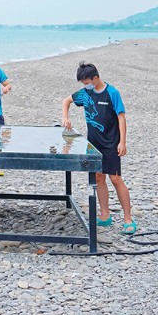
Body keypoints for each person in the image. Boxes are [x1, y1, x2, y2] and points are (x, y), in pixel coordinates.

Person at [61, 62, 136, 233]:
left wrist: (122, 142)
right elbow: (66, 101)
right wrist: (65, 117)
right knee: (99, 177)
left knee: (116, 179)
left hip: (111, 143)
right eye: (83, 83)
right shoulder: (86, 93)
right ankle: (104, 215)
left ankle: (128, 218)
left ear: (95, 78)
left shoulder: (112, 93)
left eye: (86, 82)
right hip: (93, 143)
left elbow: (121, 117)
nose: (85, 86)